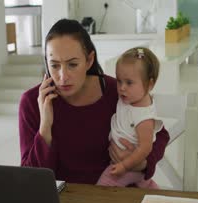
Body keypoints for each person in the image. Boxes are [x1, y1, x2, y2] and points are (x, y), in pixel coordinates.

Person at [18, 19, 169, 184]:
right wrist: (45, 127)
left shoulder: (116, 91)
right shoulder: (32, 102)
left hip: (117, 194)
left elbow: (160, 135)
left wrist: (143, 163)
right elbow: (29, 179)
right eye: (54, 65)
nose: (63, 77)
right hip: (62, 202)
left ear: (89, 60)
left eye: (73, 64)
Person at [96, 47, 163, 188]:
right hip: (125, 163)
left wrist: (124, 166)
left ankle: (146, 183)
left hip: (129, 166)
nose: (122, 88)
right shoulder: (130, 98)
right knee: (143, 184)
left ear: (150, 84)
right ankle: (148, 185)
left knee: (104, 186)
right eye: (119, 81)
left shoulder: (143, 116)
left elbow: (145, 148)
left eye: (129, 82)